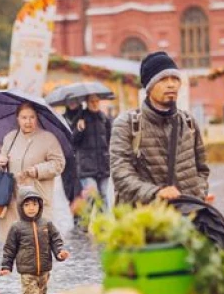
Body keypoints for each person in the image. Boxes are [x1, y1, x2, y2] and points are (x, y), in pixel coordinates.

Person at [110, 51, 210, 205]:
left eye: (175, 78)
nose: (171, 84)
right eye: (163, 79)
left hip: (187, 218)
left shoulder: (189, 122)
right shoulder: (127, 124)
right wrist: (156, 193)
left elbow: (202, 169)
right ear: (149, 87)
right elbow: (120, 174)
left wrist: (198, 195)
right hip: (145, 219)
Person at [0, 188, 69, 294]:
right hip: (27, 271)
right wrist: (6, 266)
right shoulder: (16, 227)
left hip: (44, 270)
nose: (31, 208)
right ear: (21, 207)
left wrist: (60, 252)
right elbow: (9, 249)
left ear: (40, 206)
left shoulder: (46, 224)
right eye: (27, 205)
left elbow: (56, 240)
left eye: (34, 205)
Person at [0, 102, 66, 243]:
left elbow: (59, 164)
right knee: (13, 245)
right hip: (12, 200)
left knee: (38, 242)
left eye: (31, 117)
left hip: (38, 199)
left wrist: (37, 170)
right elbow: (1, 162)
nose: (28, 122)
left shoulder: (48, 138)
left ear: (37, 118)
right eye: (24, 117)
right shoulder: (10, 138)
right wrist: (0, 161)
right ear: (17, 119)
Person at [73, 94, 112, 208]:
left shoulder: (104, 118)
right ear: (87, 102)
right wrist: (79, 129)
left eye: (97, 101)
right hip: (87, 167)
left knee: (104, 195)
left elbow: (109, 141)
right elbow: (73, 141)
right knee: (92, 195)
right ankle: (87, 222)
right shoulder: (80, 118)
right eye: (92, 101)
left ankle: (106, 224)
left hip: (103, 165)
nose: (95, 104)